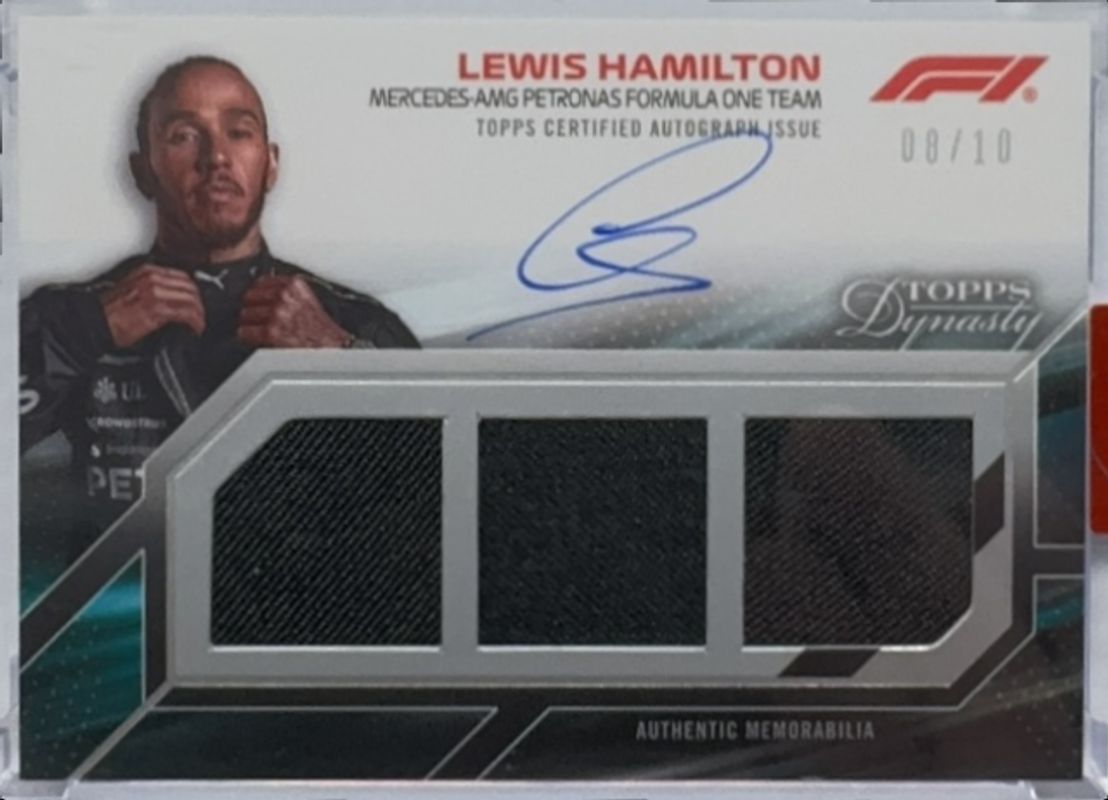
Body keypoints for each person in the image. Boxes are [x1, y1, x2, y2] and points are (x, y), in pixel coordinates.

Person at [19, 55, 418, 527]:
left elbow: (444, 489)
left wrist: (341, 359)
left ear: (270, 164)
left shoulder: (353, 323)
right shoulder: (69, 318)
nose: (216, 158)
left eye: (239, 132)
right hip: (133, 577)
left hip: (301, 575)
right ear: (142, 172)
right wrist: (84, 331)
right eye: (184, 136)